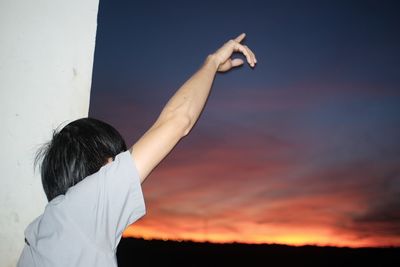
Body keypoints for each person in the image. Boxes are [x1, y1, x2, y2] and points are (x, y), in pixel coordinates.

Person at [17, 33, 257, 267]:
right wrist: (212, 62)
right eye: (118, 158)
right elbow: (178, 120)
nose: (122, 164)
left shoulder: (50, 231)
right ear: (107, 163)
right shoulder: (84, 207)